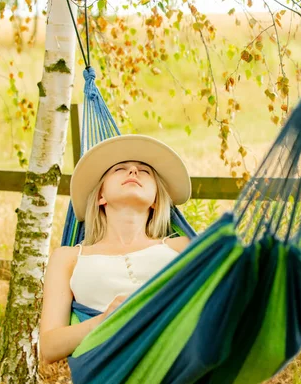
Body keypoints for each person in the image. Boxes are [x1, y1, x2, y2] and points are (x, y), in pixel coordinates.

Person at [39, 135, 192, 364]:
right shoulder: (69, 258)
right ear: (101, 196)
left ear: (155, 201)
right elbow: (48, 348)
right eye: (120, 169)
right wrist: (103, 322)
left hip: (177, 362)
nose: (133, 172)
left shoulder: (182, 247)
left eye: (145, 171)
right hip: (111, 372)